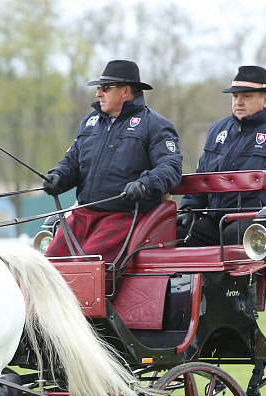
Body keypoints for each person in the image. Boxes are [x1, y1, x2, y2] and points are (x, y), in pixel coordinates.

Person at [42, 59, 182, 265]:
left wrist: (144, 184)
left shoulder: (155, 125)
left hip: (123, 217)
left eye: (105, 88)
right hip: (83, 215)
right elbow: (72, 163)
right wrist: (58, 177)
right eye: (99, 88)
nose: (98, 93)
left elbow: (170, 167)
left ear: (125, 91)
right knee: (47, 267)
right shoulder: (89, 124)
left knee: (86, 269)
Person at [179, 65, 266, 253]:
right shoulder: (217, 131)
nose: (239, 102)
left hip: (258, 224)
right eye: (235, 96)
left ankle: (222, 283)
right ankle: (174, 283)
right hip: (216, 221)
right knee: (170, 232)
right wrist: (188, 212)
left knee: (235, 236)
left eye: (247, 96)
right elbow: (201, 181)